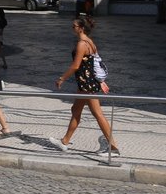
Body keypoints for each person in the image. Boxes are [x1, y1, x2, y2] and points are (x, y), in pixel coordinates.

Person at [50, 16, 120, 155]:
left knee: (98, 114)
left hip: (86, 84)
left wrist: (62, 78)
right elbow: (94, 63)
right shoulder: (90, 42)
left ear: (81, 28)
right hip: (85, 83)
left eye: (74, 26)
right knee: (75, 110)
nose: (72, 28)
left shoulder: (82, 44)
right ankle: (64, 141)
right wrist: (100, 81)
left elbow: (76, 65)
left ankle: (113, 148)